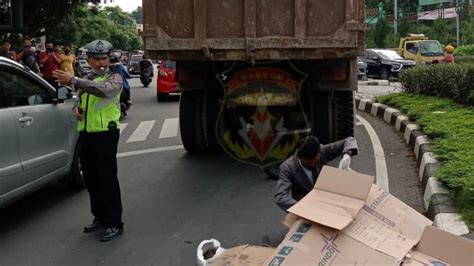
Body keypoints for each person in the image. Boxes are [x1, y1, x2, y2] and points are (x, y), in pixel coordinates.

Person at [52, 40, 124, 242]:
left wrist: (74, 80)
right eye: (97, 59)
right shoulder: (87, 77)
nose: (101, 63)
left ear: (110, 58)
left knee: (107, 179)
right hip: (86, 133)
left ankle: (114, 222)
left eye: (104, 58)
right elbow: (80, 99)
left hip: (106, 134)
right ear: (89, 60)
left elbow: (105, 90)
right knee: (91, 179)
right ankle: (100, 217)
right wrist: (77, 110)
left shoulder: (115, 77)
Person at [274, 136, 358, 211]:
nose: (313, 165)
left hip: (327, 200)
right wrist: (302, 208)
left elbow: (349, 140)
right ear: (299, 157)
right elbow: (280, 197)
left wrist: (347, 154)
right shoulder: (288, 168)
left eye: (316, 160)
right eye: (309, 163)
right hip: (305, 208)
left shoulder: (322, 151)